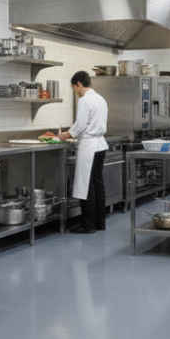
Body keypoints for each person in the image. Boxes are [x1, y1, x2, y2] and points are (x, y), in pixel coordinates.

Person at [59, 71, 108, 234]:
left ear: (79, 84)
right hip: (101, 145)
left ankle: (88, 224)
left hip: (89, 146)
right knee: (97, 183)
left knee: (86, 185)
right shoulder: (100, 99)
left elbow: (79, 126)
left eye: (74, 87)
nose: (75, 91)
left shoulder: (85, 100)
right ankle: (100, 222)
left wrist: (65, 135)